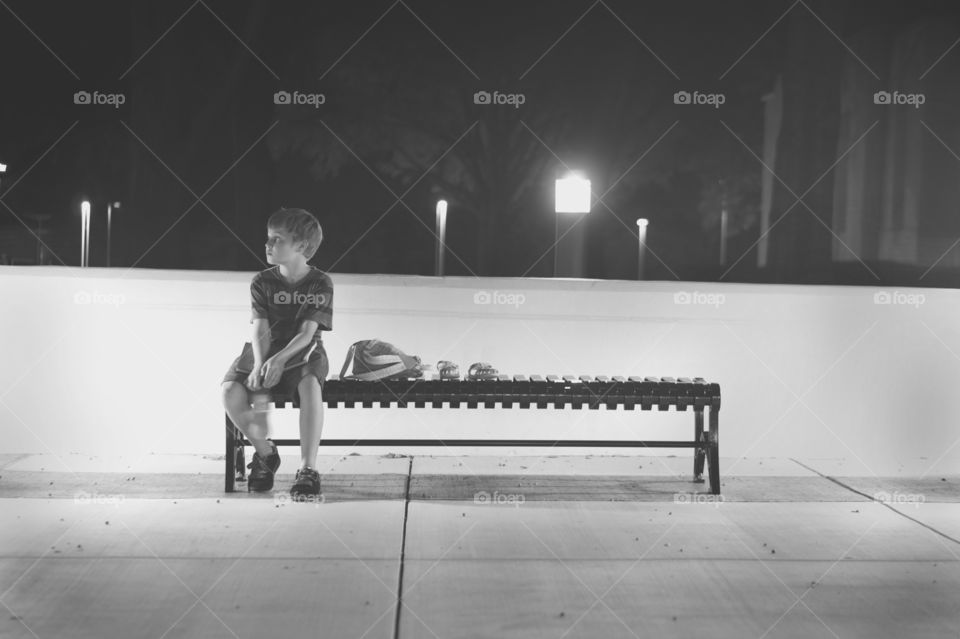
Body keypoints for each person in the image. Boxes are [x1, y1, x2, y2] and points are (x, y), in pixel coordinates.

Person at [221, 208, 333, 497]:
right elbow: (260, 327)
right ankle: (266, 452)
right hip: (265, 351)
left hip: (303, 353)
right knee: (230, 391)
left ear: (301, 247)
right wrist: (260, 363)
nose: (268, 245)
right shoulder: (262, 281)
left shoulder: (320, 282)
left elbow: (307, 334)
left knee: (309, 386)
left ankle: (308, 468)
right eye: (268, 238)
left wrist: (280, 360)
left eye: (277, 239)